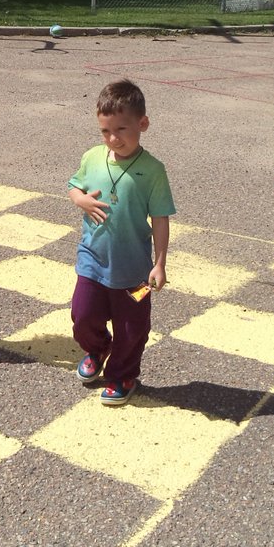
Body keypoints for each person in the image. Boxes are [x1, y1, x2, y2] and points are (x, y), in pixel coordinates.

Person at [67, 80, 175, 405]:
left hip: (136, 272)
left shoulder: (153, 170)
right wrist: (80, 200)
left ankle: (123, 374)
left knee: (132, 329)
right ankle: (97, 348)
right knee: (82, 314)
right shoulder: (93, 157)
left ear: (142, 124)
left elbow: (160, 218)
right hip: (92, 260)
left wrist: (160, 262)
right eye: (105, 131)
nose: (113, 139)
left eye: (122, 129)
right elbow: (74, 186)